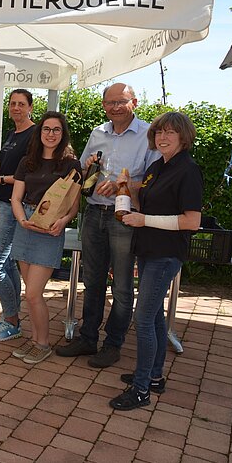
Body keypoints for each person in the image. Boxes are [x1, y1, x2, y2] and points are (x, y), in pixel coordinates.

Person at [56, 83, 160, 368]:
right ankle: (88, 338)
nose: (114, 107)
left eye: (121, 102)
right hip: (94, 213)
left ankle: (113, 344)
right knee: (92, 281)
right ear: (103, 105)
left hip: (124, 217)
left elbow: (154, 180)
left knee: (123, 287)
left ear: (134, 103)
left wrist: (125, 185)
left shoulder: (148, 135)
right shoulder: (97, 133)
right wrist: (89, 164)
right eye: (109, 102)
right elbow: (82, 169)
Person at [109, 112, 202, 410]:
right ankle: (154, 377)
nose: (162, 137)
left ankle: (140, 390)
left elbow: (191, 222)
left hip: (166, 254)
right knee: (155, 317)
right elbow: (144, 200)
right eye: (159, 132)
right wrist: (128, 189)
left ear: (184, 137)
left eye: (170, 133)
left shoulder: (188, 171)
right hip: (148, 249)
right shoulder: (157, 166)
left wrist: (144, 218)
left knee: (144, 319)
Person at [9, 112, 81, 364]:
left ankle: (43, 343)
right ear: (39, 133)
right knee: (31, 293)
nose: (51, 134)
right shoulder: (27, 162)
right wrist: (21, 220)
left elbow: (73, 205)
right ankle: (35, 340)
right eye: (46, 129)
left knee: (32, 294)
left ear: (63, 134)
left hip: (50, 229)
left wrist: (63, 222)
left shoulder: (71, 165)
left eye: (56, 130)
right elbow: (16, 198)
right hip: (26, 224)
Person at [0, 89, 36, 342]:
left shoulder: (34, 135)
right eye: (12, 103)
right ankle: (9, 316)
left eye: (21, 104)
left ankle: (12, 322)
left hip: (12, 207)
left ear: (30, 107)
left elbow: (28, 175)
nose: (16, 108)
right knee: (6, 264)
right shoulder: (13, 133)